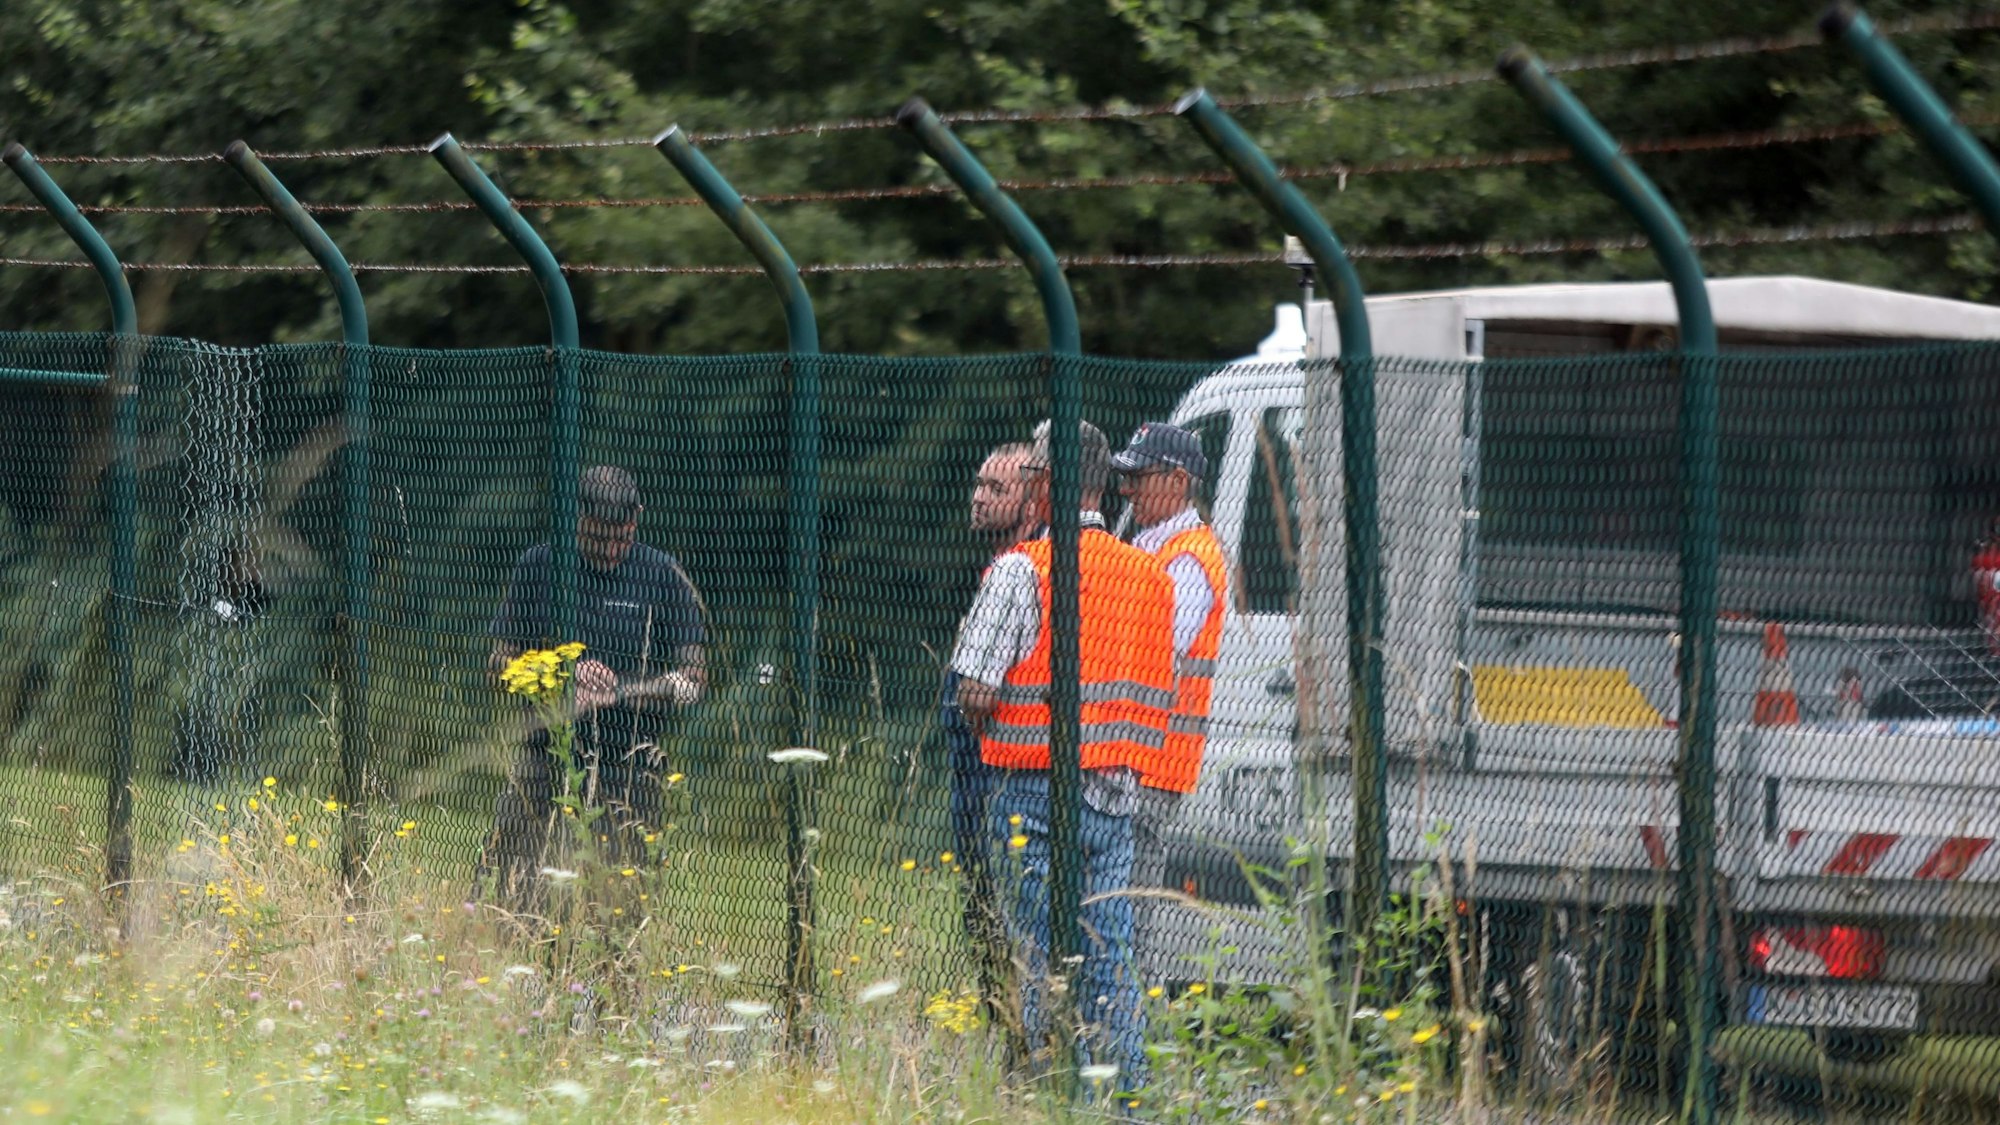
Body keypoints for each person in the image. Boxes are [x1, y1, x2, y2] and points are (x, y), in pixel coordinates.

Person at [953, 419, 1174, 1083]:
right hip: (1115, 797)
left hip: (1031, 790)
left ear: (1043, 482)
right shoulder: (1149, 576)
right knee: (1112, 958)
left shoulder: (1023, 569)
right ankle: (1126, 1098)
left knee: (1041, 954)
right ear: (1103, 484)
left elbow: (974, 690)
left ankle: (1044, 1088)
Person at [481, 465, 706, 904]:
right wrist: (559, 677)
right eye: (599, 536)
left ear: (637, 517)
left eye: (621, 537)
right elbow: (497, 664)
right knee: (514, 899)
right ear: (577, 518)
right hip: (545, 761)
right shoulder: (540, 565)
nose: (610, 549)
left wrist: (619, 691)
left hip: (628, 772)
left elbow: (694, 679)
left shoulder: (664, 576)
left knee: (619, 915)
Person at [1113, 423, 1228, 946]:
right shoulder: (1158, 550)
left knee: (1128, 913)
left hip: (1151, 762)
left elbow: (1158, 654)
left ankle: (1124, 1022)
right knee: (1117, 907)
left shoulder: (1187, 559)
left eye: (1139, 476)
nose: (1127, 488)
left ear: (1177, 480)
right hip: (1136, 755)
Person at [944, 441, 1039, 996]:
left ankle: (1018, 1021)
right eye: (979, 485)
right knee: (979, 904)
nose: (979, 498)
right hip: (973, 771)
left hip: (1003, 769)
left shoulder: (1028, 572)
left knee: (1005, 906)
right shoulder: (996, 570)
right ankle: (1000, 1012)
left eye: (996, 489)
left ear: (1030, 506)